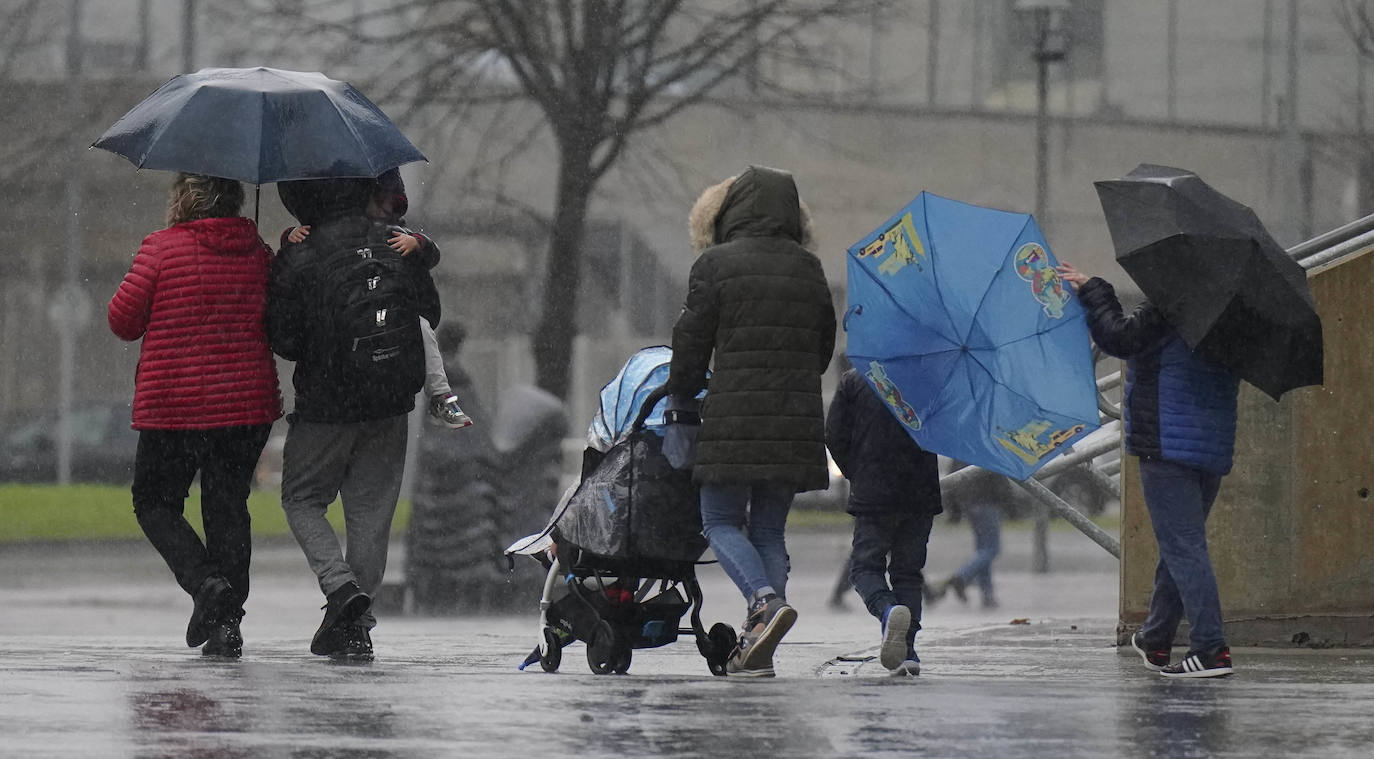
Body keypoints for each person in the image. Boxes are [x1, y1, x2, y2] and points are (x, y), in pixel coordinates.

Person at [663, 165, 836, 677]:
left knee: (718, 519)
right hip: (796, 418)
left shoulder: (715, 264)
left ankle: (762, 601)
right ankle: (760, 644)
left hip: (734, 415)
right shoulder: (809, 267)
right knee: (768, 530)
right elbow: (824, 348)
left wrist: (681, 395)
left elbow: (691, 343)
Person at [107, 173, 282, 658]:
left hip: (174, 404)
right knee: (227, 506)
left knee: (155, 502)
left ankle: (207, 586)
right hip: (245, 404)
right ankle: (227, 623)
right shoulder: (258, 253)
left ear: (184, 198)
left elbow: (122, 321)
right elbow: (280, 320)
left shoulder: (161, 248)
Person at [268, 175, 442, 660]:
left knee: (302, 498)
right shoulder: (398, 243)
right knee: (371, 517)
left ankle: (340, 587)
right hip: (389, 401)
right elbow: (429, 313)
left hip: (326, 405)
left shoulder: (300, 252)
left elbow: (283, 340)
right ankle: (356, 628)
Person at [1056, 261, 1238, 679]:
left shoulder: (1175, 301)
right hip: (1210, 443)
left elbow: (1119, 338)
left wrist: (1095, 290)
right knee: (1181, 544)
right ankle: (1156, 637)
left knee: (1184, 547)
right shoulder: (1231, 313)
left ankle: (1211, 649)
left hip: (1167, 441)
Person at [282, 168, 471, 430]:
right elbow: (430, 307)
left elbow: (286, 339)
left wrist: (418, 243)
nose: (385, 210)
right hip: (380, 379)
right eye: (380, 201)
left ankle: (441, 396)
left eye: (392, 205)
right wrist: (290, 236)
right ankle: (439, 396)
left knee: (422, 328)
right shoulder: (341, 237)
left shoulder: (395, 235)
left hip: (336, 390)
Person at [825, 367, 941, 675]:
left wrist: (858, 472)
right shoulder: (929, 379)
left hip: (874, 490)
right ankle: (908, 652)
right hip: (920, 491)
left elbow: (834, 434)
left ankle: (887, 610)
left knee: (864, 568)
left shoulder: (855, 379)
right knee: (908, 573)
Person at [925, 461, 1004, 609]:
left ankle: (987, 594)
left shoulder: (964, 450)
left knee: (982, 550)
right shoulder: (988, 450)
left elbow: (953, 476)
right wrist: (1008, 499)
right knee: (991, 549)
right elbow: (1000, 474)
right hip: (987, 500)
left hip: (970, 502)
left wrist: (954, 506)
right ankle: (962, 577)